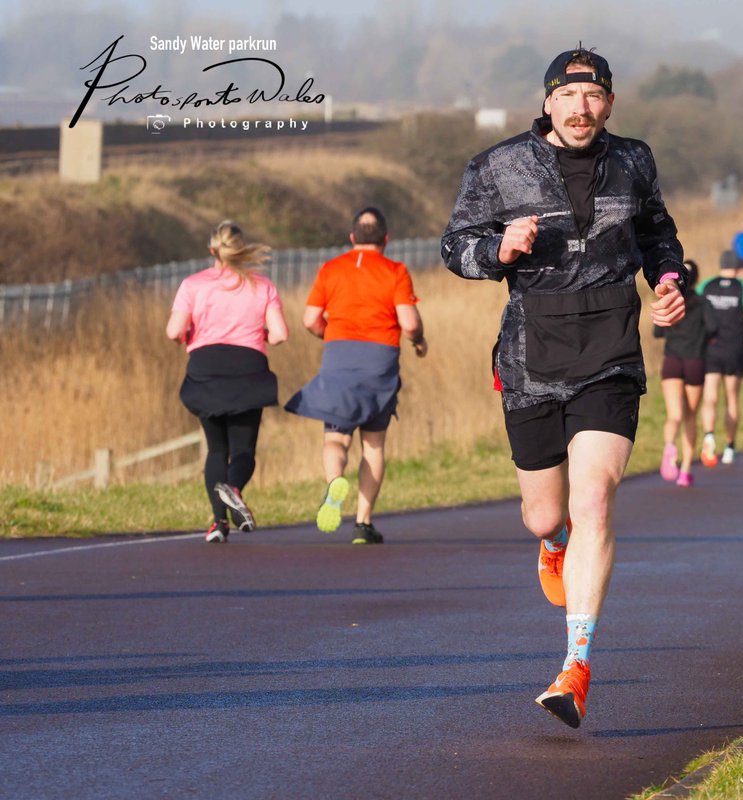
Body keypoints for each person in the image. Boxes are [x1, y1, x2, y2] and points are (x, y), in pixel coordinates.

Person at [441, 46, 687, 729]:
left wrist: (669, 283)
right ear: (549, 101)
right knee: (546, 516)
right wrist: (499, 251)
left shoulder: (633, 159)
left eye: (595, 96)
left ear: (608, 103)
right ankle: (552, 545)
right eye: (570, 96)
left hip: (610, 352)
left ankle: (575, 666)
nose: (583, 108)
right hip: (530, 358)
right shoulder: (497, 166)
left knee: (596, 502)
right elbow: (454, 245)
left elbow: (658, 232)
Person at [286, 207, 427, 544]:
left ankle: (335, 480)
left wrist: (327, 333)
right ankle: (363, 523)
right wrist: (419, 340)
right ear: (386, 239)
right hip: (380, 360)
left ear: (352, 238)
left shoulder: (331, 269)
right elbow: (408, 323)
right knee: (374, 446)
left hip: (339, 356)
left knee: (335, 438)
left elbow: (309, 319)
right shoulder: (395, 270)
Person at [167, 221, 288, 543]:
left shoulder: (193, 285)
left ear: (212, 251)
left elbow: (172, 331)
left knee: (216, 449)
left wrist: (192, 333)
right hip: (248, 369)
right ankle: (233, 488)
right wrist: (256, 334)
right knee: (244, 451)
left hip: (206, 368)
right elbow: (280, 335)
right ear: (241, 249)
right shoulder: (262, 286)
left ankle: (218, 524)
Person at [698, 250, 743, 467]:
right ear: (738, 267)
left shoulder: (706, 285)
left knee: (710, 396)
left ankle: (708, 435)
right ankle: (730, 448)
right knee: (732, 398)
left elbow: (694, 309)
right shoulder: (742, 287)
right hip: (734, 348)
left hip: (710, 348)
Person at [655, 259, 710, 487]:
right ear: (697, 278)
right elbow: (714, 328)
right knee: (690, 416)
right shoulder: (703, 303)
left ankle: (670, 447)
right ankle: (686, 471)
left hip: (672, 359)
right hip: (695, 360)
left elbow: (658, 330)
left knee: (674, 415)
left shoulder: (670, 301)